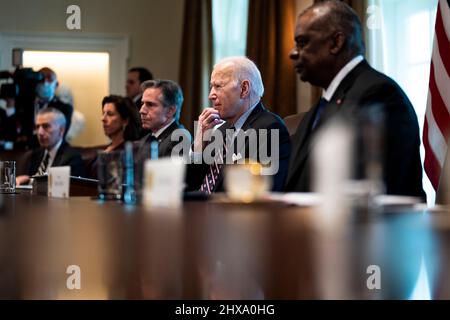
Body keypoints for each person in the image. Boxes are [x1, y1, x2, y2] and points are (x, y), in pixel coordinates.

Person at [284, 0, 425, 198]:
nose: (293, 53)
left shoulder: (379, 94)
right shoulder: (321, 106)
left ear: (336, 43)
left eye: (303, 42)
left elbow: (363, 187)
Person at [186, 56, 291, 193]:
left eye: (218, 86)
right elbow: (190, 184)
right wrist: (199, 143)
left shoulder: (269, 128)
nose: (211, 95)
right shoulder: (220, 130)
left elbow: (259, 193)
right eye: (212, 87)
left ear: (244, 89)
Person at [16, 108, 85, 186]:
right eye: (37, 127)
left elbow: (68, 189)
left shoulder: (72, 158)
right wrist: (27, 178)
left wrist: (30, 180)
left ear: (61, 130)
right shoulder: (36, 154)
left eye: (46, 126)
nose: (40, 132)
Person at [135, 79, 191, 160]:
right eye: (142, 104)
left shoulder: (180, 138)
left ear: (170, 111)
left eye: (150, 104)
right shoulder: (145, 140)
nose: (142, 111)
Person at [35, 67, 73, 137]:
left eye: (49, 79)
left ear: (56, 84)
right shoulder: (24, 105)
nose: (45, 82)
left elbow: (58, 136)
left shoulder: (64, 108)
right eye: (41, 79)